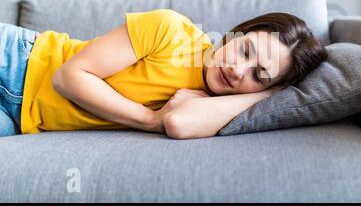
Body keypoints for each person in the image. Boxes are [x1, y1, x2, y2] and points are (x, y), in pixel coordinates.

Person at [0, 9, 327, 139]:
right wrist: (148, 120)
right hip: (17, 59)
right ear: (238, 32)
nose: (237, 69)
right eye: (244, 50)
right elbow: (67, 77)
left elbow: (177, 123)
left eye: (258, 75)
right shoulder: (171, 30)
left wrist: (269, 93)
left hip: (19, 120)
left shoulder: (209, 108)